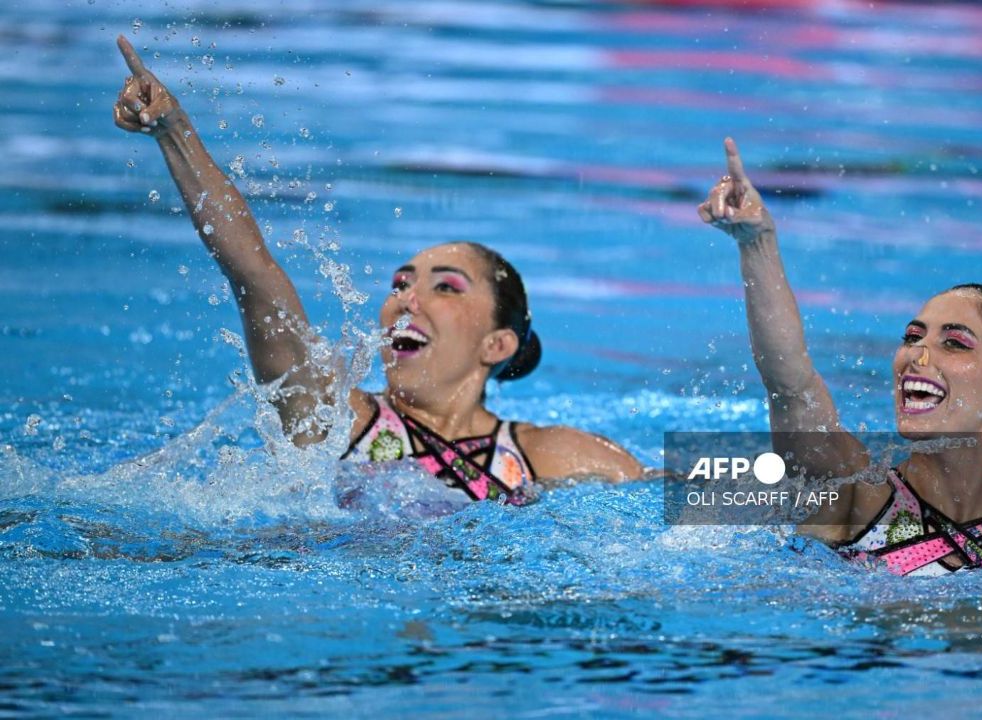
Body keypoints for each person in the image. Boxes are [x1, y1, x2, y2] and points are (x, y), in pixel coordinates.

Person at [113, 36, 643, 505]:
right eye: (401, 283)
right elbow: (255, 279)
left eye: (446, 287)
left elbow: (715, 503)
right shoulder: (335, 417)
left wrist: (733, 245)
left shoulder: (551, 455)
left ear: (497, 345)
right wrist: (174, 132)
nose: (407, 299)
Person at [698, 137, 982, 576]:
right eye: (912, 337)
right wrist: (757, 242)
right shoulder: (856, 495)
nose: (917, 356)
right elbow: (790, 384)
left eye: (955, 343)